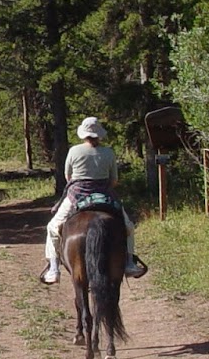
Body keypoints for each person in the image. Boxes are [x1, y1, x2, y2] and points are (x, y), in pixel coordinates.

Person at [40, 117, 148, 284]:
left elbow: (68, 177)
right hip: (105, 194)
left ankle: (54, 268)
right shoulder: (109, 152)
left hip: (77, 195)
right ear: (99, 135)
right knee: (128, 226)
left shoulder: (74, 151)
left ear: (84, 134)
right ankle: (128, 262)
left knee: (53, 227)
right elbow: (114, 180)